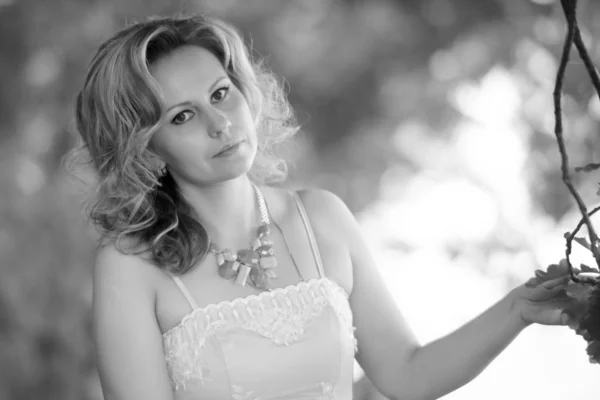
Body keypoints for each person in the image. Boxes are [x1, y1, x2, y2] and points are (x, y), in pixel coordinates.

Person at [69, 14, 574, 400]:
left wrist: (518, 308)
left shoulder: (322, 218)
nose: (219, 123)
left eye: (221, 93)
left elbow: (407, 372)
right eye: (182, 116)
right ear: (145, 146)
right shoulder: (131, 265)